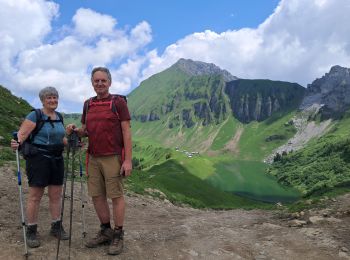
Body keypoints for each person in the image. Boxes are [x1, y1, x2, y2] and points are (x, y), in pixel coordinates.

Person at [66, 67, 132, 255]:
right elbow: (86, 130)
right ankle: (106, 230)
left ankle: (118, 234)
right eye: (96, 81)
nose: (100, 84)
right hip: (93, 157)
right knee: (96, 195)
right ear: (92, 83)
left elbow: (127, 131)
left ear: (109, 82)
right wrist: (76, 130)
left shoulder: (118, 102)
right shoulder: (88, 104)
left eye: (103, 80)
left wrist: (128, 160)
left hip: (113, 156)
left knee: (116, 196)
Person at [10, 86, 69, 248]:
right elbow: (21, 136)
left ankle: (56, 226)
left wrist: (71, 143)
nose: (53, 100)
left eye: (55, 97)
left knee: (56, 195)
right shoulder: (35, 115)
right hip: (38, 159)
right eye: (49, 98)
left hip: (57, 159)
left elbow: (62, 138)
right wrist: (16, 143)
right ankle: (31, 230)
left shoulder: (59, 117)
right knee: (35, 195)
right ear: (42, 100)